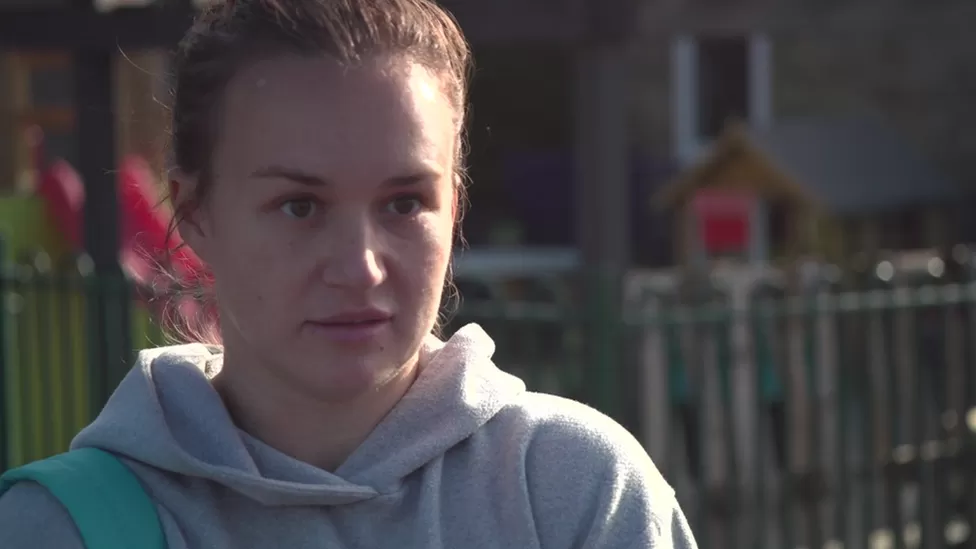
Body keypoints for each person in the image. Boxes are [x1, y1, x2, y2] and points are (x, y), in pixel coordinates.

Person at [0, 1, 699, 547]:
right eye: (299, 205)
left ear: (454, 207)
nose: (360, 267)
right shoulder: (61, 529)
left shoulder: (574, 493)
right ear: (195, 214)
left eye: (405, 202)